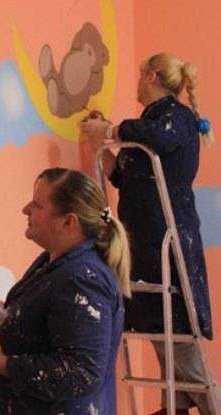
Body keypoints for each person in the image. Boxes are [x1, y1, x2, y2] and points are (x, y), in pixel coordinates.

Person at [82, 52, 219, 415]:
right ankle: (174, 404)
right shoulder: (148, 123)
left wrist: (112, 130)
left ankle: (202, 403)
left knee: (180, 331)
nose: (137, 82)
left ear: (153, 77)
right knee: (159, 325)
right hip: (143, 239)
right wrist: (102, 145)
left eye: (141, 75)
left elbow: (159, 137)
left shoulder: (177, 118)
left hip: (169, 238)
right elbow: (124, 178)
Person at [0, 168, 130, 414]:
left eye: (38, 205)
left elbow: (81, 372)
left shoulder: (83, 280)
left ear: (68, 222)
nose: (26, 210)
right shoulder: (54, 263)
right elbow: (45, 327)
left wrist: (1, 362)